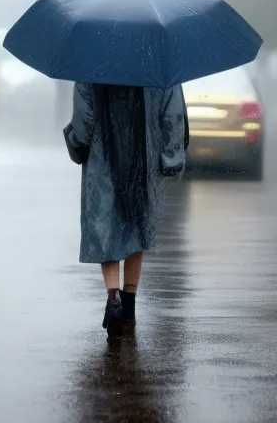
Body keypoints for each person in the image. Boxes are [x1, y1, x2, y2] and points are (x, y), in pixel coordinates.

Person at [63, 82, 186, 338]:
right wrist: (170, 156)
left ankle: (113, 297)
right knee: (136, 225)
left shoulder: (91, 64)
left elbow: (84, 121)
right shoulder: (157, 63)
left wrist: (76, 142)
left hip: (102, 157)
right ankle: (129, 304)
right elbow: (172, 113)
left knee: (105, 223)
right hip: (144, 156)